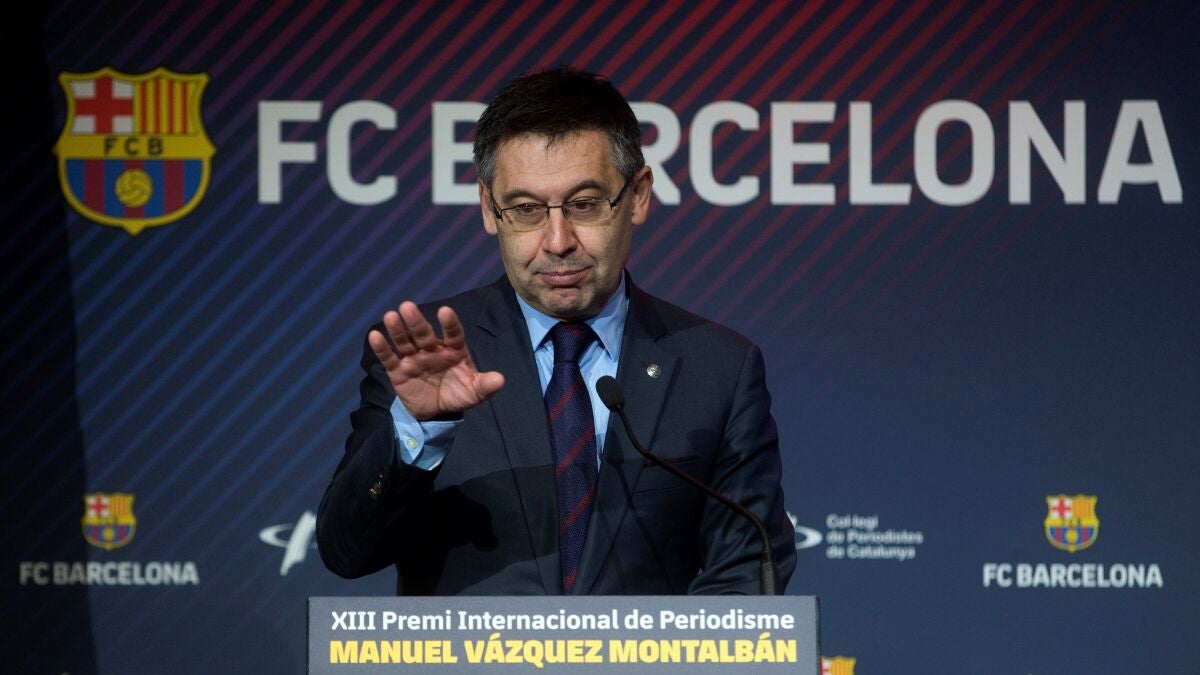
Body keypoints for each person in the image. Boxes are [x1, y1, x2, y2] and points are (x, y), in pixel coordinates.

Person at [317, 67, 795, 595]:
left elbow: (747, 569)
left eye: (584, 204)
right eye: (525, 210)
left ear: (637, 195)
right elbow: (346, 553)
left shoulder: (718, 367)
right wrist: (420, 429)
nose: (558, 240)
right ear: (489, 209)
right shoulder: (424, 354)